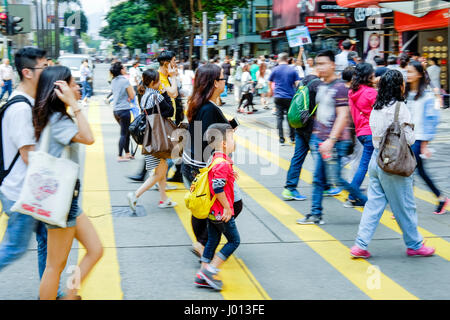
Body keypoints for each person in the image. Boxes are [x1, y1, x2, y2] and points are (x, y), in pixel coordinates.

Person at [350, 69, 436, 258]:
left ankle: (360, 245)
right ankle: (414, 245)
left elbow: (375, 135)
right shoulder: (399, 107)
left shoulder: (376, 107)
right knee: (405, 206)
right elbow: (410, 139)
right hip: (393, 165)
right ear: (399, 86)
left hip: (376, 160)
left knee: (373, 205)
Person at [34, 66, 103, 300]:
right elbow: (89, 138)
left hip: (67, 201)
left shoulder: (57, 118)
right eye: (72, 84)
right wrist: (75, 104)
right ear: (59, 90)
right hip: (60, 202)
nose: (77, 87)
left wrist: (72, 105)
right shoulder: (58, 120)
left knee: (95, 249)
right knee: (55, 265)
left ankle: (70, 293)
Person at [0, 47, 53, 292]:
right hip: (21, 193)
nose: (48, 71)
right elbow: (27, 156)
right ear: (27, 72)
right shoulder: (21, 108)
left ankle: (49, 290)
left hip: (32, 190)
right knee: (14, 249)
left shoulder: (30, 102)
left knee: (46, 239)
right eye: (44, 67)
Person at [297, 50, 368, 225]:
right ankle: (315, 214)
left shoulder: (340, 87)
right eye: (317, 64)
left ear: (332, 65)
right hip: (319, 139)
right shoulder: (321, 85)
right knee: (319, 178)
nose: (319, 67)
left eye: (323, 63)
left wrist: (331, 140)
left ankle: (366, 202)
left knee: (334, 179)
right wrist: (316, 134)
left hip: (333, 142)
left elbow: (343, 115)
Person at [182, 63, 238, 258]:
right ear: (215, 83)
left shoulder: (202, 103)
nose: (225, 81)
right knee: (230, 205)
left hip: (194, 164)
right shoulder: (208, 108)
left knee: (203, 203)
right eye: (223, 78)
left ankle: (203, 243)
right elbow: (208, 141)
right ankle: (203, 244)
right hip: (204, 167)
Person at [194, 123, 240, 291]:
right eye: (232, 138)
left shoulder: (216, 159)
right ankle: (211, 270)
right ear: (224, 144)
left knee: (213, 240)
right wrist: (228, 208)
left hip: (213, 212)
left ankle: (201, 274)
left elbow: (217, 179)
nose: (235, 141)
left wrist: (230, 175)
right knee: (234, 241)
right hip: (222, 212)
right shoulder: (223, 164)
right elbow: (217, 187)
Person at [127, 69, 178, 211]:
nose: (160, 82)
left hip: (150, 137)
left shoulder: (144, 95)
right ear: (152, 83)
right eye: (158, 80)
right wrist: (165, 93)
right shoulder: (156, 95)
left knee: (163, 168)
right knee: (158, 174)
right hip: (158, 138)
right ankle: (135, 195)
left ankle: (163, 199)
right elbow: (170, 111)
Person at [406, 61, 448, 215]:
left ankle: (406, 206)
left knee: (408, 172)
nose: (408, 75)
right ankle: (441, 197)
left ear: (419, 74)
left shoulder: (427, 95)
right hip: (407, 138)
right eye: (407, 72)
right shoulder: (407, 93)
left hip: (419, 138)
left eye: (410, 72)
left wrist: (425, 144)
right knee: (419, 172)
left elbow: (432, 120)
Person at [282, 63, 322, 201]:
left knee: (297, 158)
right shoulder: (318, 84)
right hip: (312, 127)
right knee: (320, 158)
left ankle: (289, 189)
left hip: (299, 124)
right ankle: (325, 186)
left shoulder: (303, 82)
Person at [346, 63, 377, 208]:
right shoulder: (371, 93)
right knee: (366, 166)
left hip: (360, 133)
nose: (374, 76)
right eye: (373, 74)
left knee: (367, 165)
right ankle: (353, 195)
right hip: (372, 133)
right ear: (368, 75)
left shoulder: (352, 91)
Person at [268, 52, 301, 145]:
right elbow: (298, 83)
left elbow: (269, 82)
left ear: (279, 59)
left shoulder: (274, 69)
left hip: (278, 96)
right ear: (287, 60)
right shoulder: (292, 70)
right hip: (290, 97)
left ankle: (281, 139)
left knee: (279, 118)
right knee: (290, 118)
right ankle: (292, 137)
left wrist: (271, 91)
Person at [110, 61, 135, 162]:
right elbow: (132, 95)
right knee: (124, 134)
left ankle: (127, 153)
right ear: (121, 70)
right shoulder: (125, 81)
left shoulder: (113, 81)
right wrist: (129, 97)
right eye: (124, 68)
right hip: (124, 110)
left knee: (126, 131)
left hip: (115, 110)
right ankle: (120, 156)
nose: (125, 70)